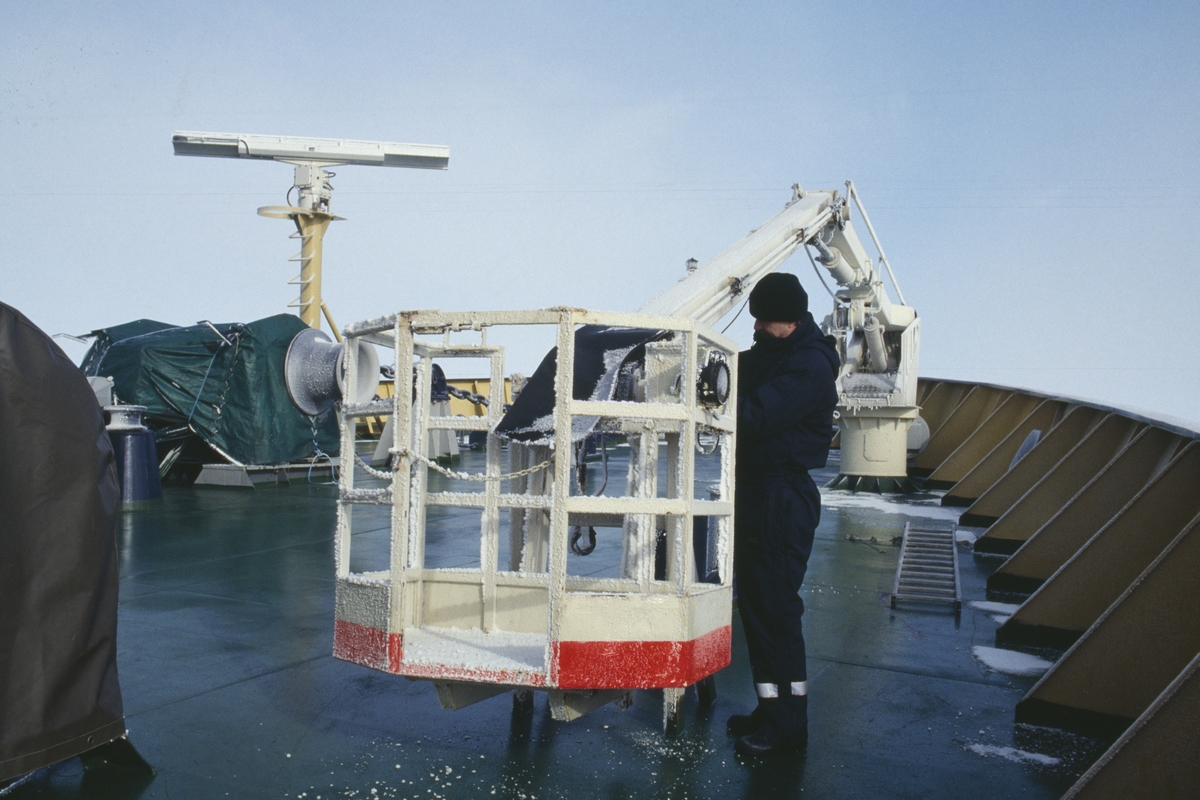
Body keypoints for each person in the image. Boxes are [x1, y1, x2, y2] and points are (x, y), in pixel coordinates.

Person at [727, 271, 839, 758]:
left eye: (763, 320)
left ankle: (788, 726)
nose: (755, 327)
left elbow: (751, 415)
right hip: (759, 493)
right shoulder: (775, 353)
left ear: (789, 321)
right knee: (756, 608)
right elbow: (742, 366)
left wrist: (714, 395)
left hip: (781, 496)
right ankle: (769, 708)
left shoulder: (809, 367)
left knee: (776, 610)